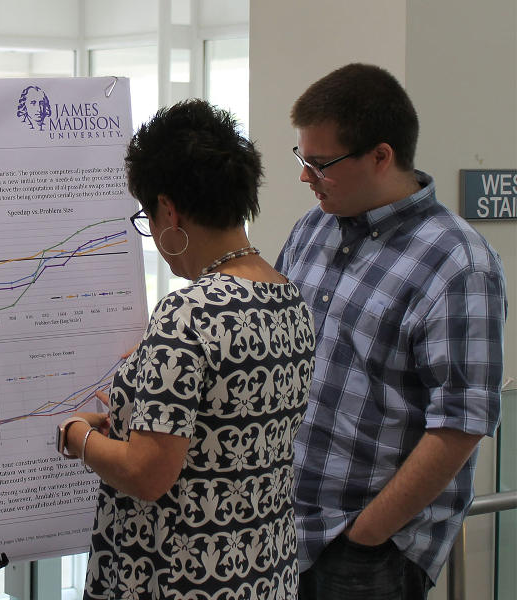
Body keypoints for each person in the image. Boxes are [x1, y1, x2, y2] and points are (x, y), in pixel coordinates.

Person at [59, 99, 316, 599]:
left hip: (180, 575)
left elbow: (147, 474)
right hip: (262, 570)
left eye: (148, 216)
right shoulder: (289, 298)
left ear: (170, 210)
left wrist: (76, 438)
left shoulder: (189, 314)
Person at [277, 63, 508, 599]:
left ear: (381, 156)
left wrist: (369, 534)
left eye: (320, 163)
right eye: (302, 159)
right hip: (284, 525)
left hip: (366, 549)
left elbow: (461, 424)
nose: (305, 177)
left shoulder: (459, 263)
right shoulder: (314, 227)